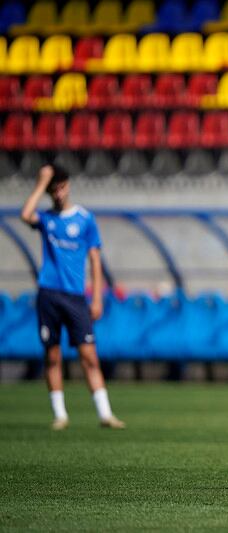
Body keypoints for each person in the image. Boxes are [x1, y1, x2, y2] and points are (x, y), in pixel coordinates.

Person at [20, 164, 125, 431]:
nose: (58, 192)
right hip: (49, 294)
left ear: (68, 185)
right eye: (53, 189)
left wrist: (98, 297)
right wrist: (41, 183)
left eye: (61, 186)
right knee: (52, 356)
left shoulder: (84, 219)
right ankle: (60, 415)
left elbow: (95, 259)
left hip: (76, 297)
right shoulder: (46, 219)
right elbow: (25, 215)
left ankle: (105, 414)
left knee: (89, 356)